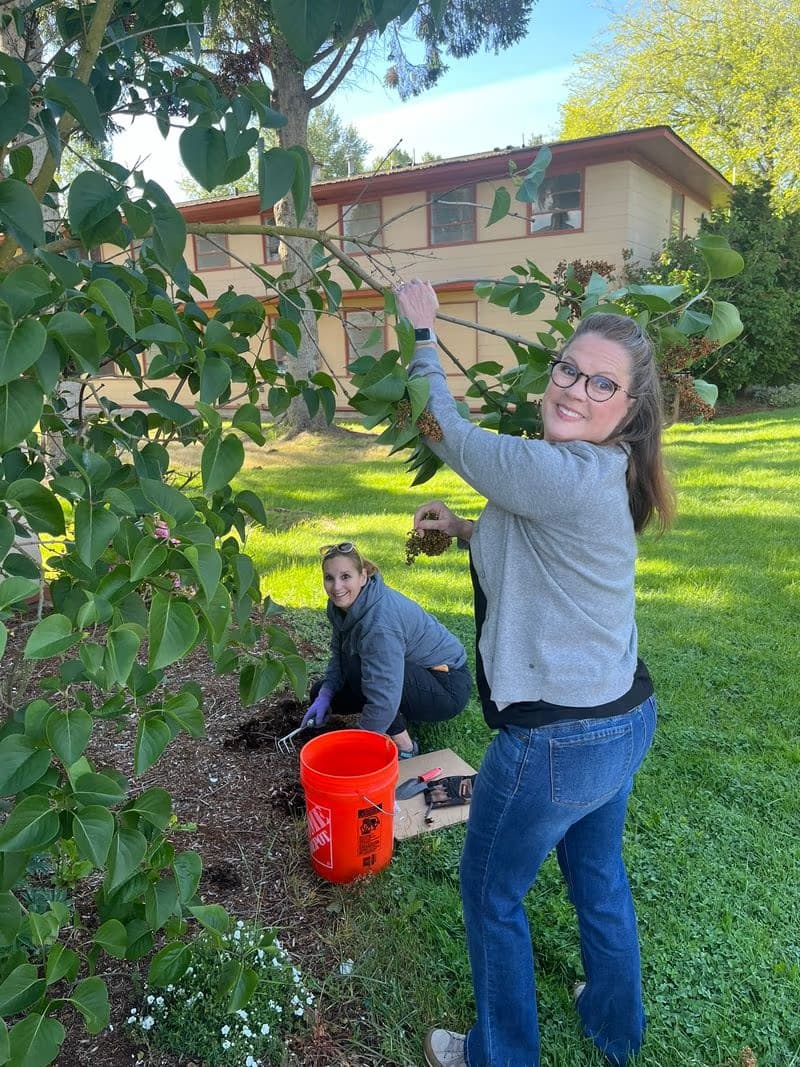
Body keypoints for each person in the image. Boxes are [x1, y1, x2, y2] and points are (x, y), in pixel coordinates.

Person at [394, 279, 674, 1067]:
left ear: (629, 410)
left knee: (490, 895)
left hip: (557, 742)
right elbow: (539, 537)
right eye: (566, 368)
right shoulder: (600, 471)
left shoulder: (559, 470)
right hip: (621, 717)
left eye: (601, 383)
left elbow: (440, 426)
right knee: (597, 876)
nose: (573, 388)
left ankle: (500, 1057)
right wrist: (466, 525)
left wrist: (421, 331)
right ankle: (615, 1026)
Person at [301, 541, 472, 758]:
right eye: (329, 578)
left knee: (362, 671)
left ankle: (406, 747)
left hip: (445, 684)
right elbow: (340, 655)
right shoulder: (339, 606)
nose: (337, 587)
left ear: (363, 576)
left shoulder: (379, 623)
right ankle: (398, 714)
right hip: (408, 673)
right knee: (324, 689)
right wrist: (325, 694)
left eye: (345, 577)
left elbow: (383, 697)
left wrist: (359, 745)